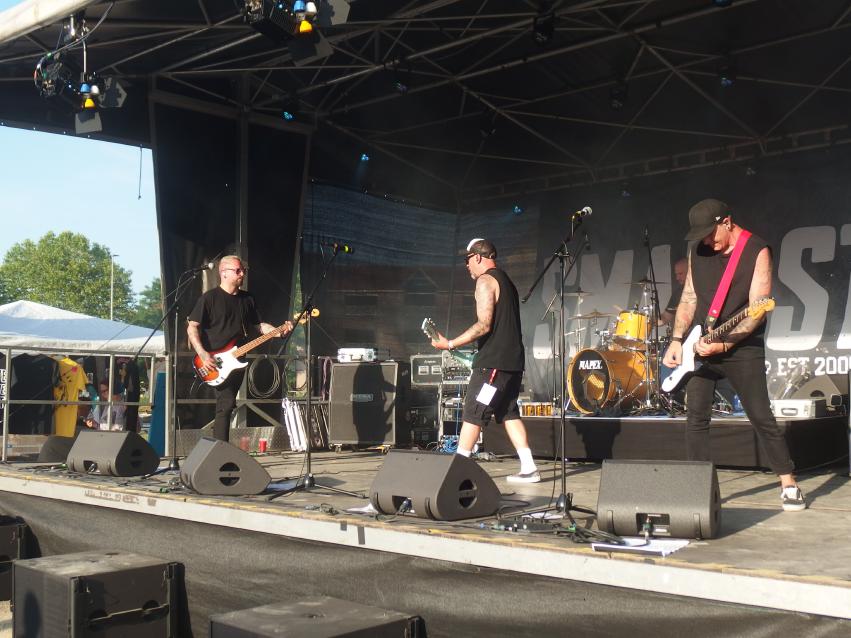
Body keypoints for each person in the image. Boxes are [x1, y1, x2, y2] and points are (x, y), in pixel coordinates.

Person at [662, 199, 805, 511]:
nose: (707, 241)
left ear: (726, 222)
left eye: (710, 234)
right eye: (701, 236)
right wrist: (676, 339)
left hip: (742, 346)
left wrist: (725, 345)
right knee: (696, 416)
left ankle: (788, 482)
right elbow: (689, 296)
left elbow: (757, 310)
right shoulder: (698, 248)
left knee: (760, 415)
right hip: (700, 343)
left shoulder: (756, 250)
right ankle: (698, 487)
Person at [430, 238, 540, 483]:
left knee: (473, 412)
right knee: (508, 412)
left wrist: (450, 344)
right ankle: (529, 467)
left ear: (477, 257)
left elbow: (483, 325)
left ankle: (457, 470)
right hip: (511, 363)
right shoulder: (507, 282)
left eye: (467, 260)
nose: (467, 266)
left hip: (493, 366)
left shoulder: (485, 281)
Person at [187, 255, 293, 442]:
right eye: (237, 270)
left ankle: (219, 447)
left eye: (243, 270)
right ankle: (220, 449)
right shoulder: (209, 298)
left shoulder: (247, 299)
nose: (242, 273)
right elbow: (192, 327)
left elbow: (260, 326)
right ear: (224, 273)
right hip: (214, 362)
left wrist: (279, 332)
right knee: (226, 404)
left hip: (237, 359)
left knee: (227, 405)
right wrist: (203, 354)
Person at [658, 257, 688, 328]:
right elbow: (665, 318)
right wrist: (649, 320)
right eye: (676, 274)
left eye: (680, 274)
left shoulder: (701, 289)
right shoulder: (678, 293)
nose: (677, 278)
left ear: (690, 271)